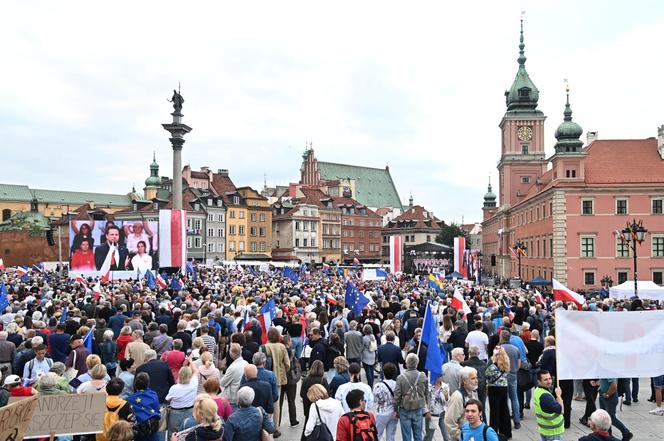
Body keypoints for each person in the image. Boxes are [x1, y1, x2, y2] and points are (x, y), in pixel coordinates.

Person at [394, 353, 429, 441]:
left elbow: (397, 395)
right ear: (417, 363)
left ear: (406, 364)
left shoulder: (400, 378)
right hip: (418, 407)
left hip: (404, 407)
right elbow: (426, 392)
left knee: (406, 435)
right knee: (418, 435)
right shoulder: (423, 375)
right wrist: (427, 405)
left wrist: (395, 409)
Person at [264, 327, 290, 437]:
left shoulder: (264, 347)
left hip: (265, 378)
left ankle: (265, 426)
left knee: (265, 402)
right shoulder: (282, 347)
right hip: (278, 378)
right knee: (276, 404)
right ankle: (275, 427)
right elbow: (287, 364)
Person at [165, 358, 199, 437]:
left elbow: (167, 399)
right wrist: (190, 361)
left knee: (173, 433)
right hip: (190, 411)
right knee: (188, 432)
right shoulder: (194, 383)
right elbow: (196, 371)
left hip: (175, 413)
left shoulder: (174, 388)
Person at [444, 366, 479, 441]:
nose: (476, 381)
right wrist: (460, 437)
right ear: (464, 381)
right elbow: (449, 421)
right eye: (473, 378)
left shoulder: (473, 393)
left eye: (476, 378)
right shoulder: (457, 397)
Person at [485, 346, 511, 439]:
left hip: (494, 388)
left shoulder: (493, 365)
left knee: (494, 411)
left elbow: (486, 375)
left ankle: (493, 431)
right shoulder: (506, 364)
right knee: (504, 410)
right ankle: (506, 432)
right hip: (504, 387)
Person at [127, 372, 161, 441]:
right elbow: (157, 409)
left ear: (135, 384)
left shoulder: (130, 398)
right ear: (148, 383)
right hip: (152, 429)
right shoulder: (153, 395)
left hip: (139, 430)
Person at [533, 370, 564, 441]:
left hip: (545, 430)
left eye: (550, 378)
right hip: (553, 432)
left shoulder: (537, 390)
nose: (549, 381)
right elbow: (561, 411)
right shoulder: (545, 396)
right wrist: (559, 396)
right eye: (545, 380)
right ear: (539, 381)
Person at [499, 330, 521, 430]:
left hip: (502, 376)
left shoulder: (498, 349)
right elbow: (519, 364)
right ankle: (517, 421)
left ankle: (506, 420)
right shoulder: (515, 349)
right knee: (514, 398)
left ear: (502, 337)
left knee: (504, 399)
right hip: (513, 375)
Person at [220, 343, 248, 408]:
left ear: (232, 353)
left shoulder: (232, 368)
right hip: (242, 395)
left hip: (233, 398)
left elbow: (223, 383)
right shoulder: (246, 363)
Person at [424, 375, 451, 441]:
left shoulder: (445, 386)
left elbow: (448, 402)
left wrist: (447, 396)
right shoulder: (428, 386)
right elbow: (424, 399)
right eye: (440, 376)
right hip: (432, 415)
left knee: (447, 437)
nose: (442, 377)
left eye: (442, 375)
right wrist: (426, 411)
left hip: (443, 414)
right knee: (428, 437)